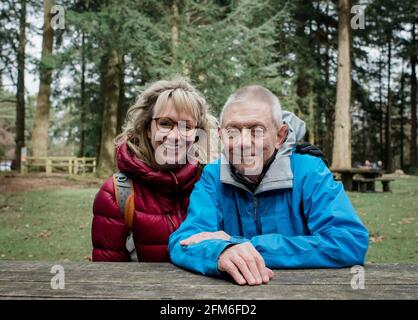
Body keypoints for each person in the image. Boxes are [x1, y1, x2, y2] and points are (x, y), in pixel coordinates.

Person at [92, 79, 328, 263]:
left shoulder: (207, 179)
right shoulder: (119, 193)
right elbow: (108, 276)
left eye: (187, 126)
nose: (175, 135)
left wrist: (281, 154)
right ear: (147, 127)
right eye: (165, 124)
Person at [169, 85, 369, 285]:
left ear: (280, 136)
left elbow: (349, 241)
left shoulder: (309, 171)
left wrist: (238, 245)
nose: (243, 143)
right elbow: (184, 242)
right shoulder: (213, 176)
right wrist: (220, 252)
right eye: (233, 131)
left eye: (256, 131)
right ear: (221, 135)